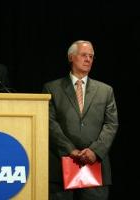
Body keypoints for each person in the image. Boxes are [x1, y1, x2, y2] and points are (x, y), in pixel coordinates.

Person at [42, 40, 119, 200]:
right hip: (61, 166)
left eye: (91, 56)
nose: (88, 59)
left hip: (94, 165)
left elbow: (111, 124)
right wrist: (71, 149)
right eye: (84, 55)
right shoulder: (52, 88)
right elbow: (50, 123)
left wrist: (95, 151)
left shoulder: (105, 91)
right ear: (71, 57)